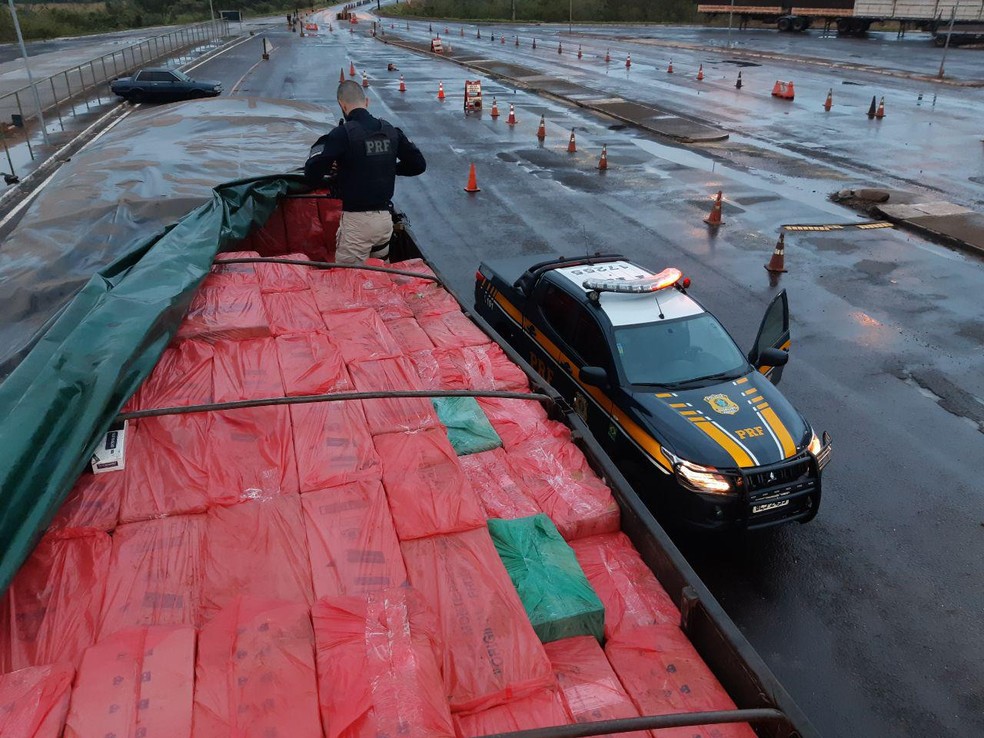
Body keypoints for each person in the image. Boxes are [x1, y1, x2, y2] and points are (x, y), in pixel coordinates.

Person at [304, 80, 426, 264]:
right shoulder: (390, 131)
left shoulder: (342, 134)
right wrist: (389, 168)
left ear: (341, 105)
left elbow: (312, 173)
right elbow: (418, 165)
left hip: (357, 223)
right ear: (366, 102)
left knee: (350, 281)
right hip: (384, 221)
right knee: (380, 279)